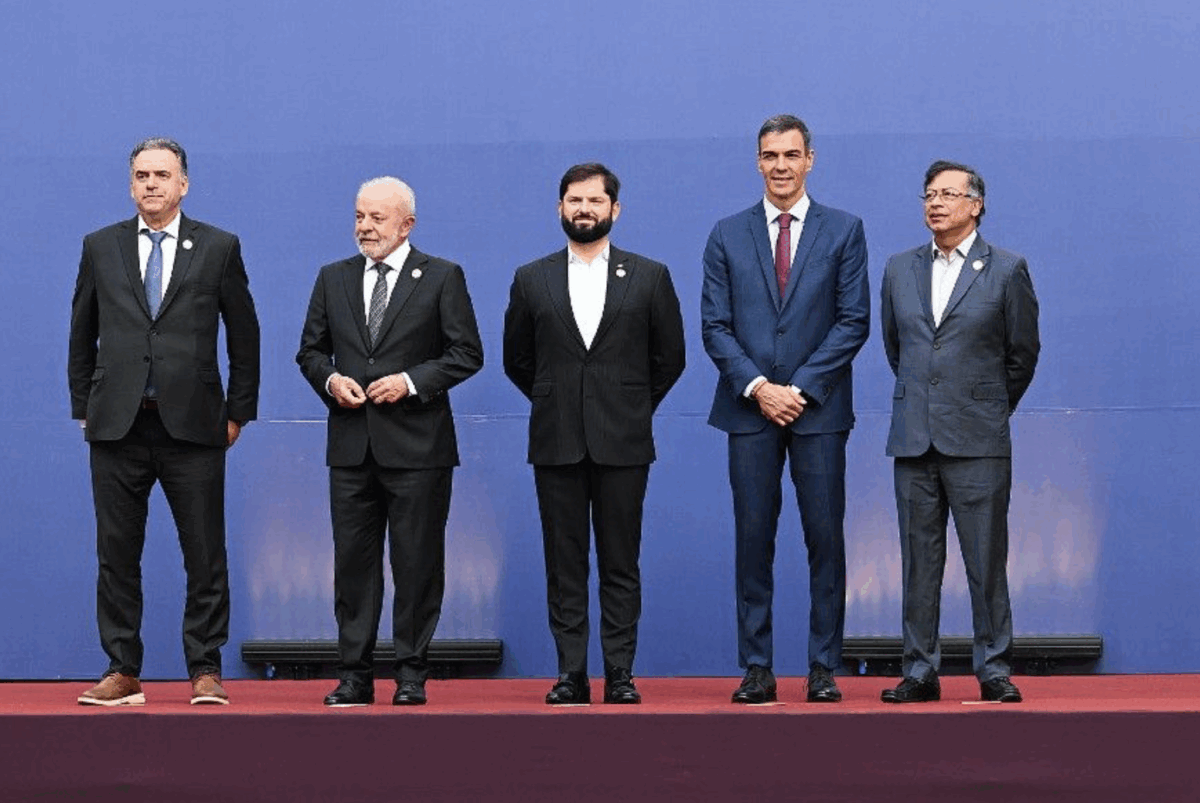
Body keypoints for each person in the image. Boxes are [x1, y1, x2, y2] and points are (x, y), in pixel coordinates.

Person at [69, 137, 261, 706]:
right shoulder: (100, 247)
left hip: (196, 427)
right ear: (131, 184)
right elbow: (82, 331)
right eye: (142, 175)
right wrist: (85, 407)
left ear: (184, 184)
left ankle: (205, 668)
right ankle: (122, 669)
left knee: (205, 553)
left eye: (163, 174)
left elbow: (244, 335)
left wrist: (239, 414)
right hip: (117, 426)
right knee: (117, 554)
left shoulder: (219, 247)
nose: (152, 184)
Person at [701, 115, 870, 704]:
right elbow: (715, 326)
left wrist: (797, 387)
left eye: (791, 155)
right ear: (757, 161)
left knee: (825, 540)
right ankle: (757, 667)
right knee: (753, 541)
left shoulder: (845, 230)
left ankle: (824, 665)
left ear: (810, 160)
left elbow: (854, 321)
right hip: (748, 413)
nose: (780, 165)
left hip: (817, 412)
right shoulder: (726, 233)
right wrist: (758, 388)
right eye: (770, 155)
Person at [503, 163, 686, 705]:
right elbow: (519, 360)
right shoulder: (530, 277)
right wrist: (558, 401)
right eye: (574, 200)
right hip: (555, 440)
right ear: (559, 208)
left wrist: (628, 406)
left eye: (595, 201)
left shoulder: (650, 275)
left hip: (623, 442)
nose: (585, 209)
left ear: (615, 210)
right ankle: (571, 674)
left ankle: (621, 674)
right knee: (564, 565)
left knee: (620, 562)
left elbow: (669, 358)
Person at [297, 177, 483, 707]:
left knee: (417, 563)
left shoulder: (443, 277)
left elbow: (466, 353)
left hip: (419, 450)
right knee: (352, 566)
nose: (365, 227)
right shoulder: (332, 278)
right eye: (359, 216)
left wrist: (410, 382)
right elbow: (310, 353)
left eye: (377, 218)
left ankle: (410, 673)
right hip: (352, 448)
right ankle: (353, 674)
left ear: (407, 224)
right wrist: (331, 381)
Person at [879, 160, 1039, 704]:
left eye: (948, 194)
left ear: (976, 205)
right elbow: (896, 349)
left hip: (978, 439)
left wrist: (986, 407)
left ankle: (993, 667)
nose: (935, 203)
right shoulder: (899, 268)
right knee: (918, 562)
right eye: (928, 194)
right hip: (914, 437)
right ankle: (919, 670)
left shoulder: (1007, 269)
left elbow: (1021, 355)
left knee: (985, 559)